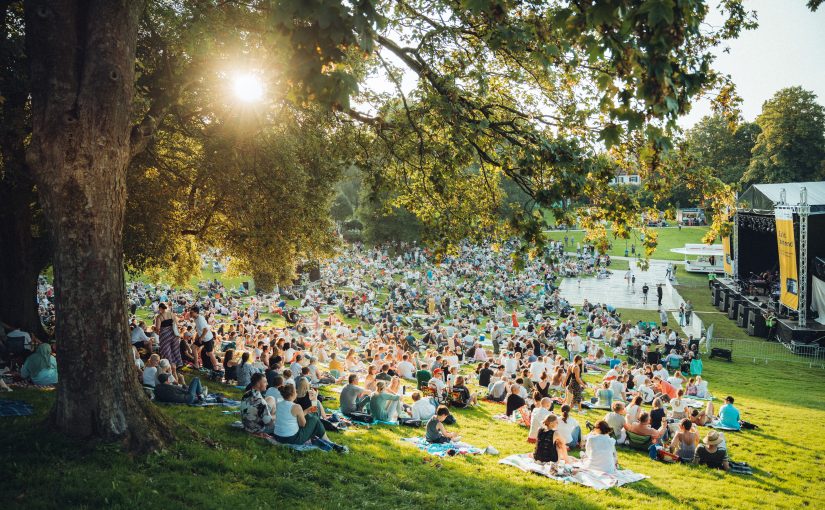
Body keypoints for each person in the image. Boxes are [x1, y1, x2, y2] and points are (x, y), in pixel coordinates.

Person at [273, 383, 346, 452]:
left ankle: (326, 439)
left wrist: (306, 411)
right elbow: (302, 424)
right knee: (315, 419)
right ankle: (328, 441)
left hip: (278, 436)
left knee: (311, 416)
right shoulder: (296, 407)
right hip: (291, 439)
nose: (297, 392)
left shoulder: (279, 403)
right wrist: (312, 403)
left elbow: (290, 416)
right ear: (292, 394)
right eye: (295, 391)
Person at [154, 303, 182, 379]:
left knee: (167, 353)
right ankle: (176, 366)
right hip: (174, 335)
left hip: (164, 337)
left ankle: (171, 368)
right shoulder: (172, 314)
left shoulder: (159, 317)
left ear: (160, 308)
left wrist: (155, 330)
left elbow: (157, 329)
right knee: (175, 351)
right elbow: (176, 325)